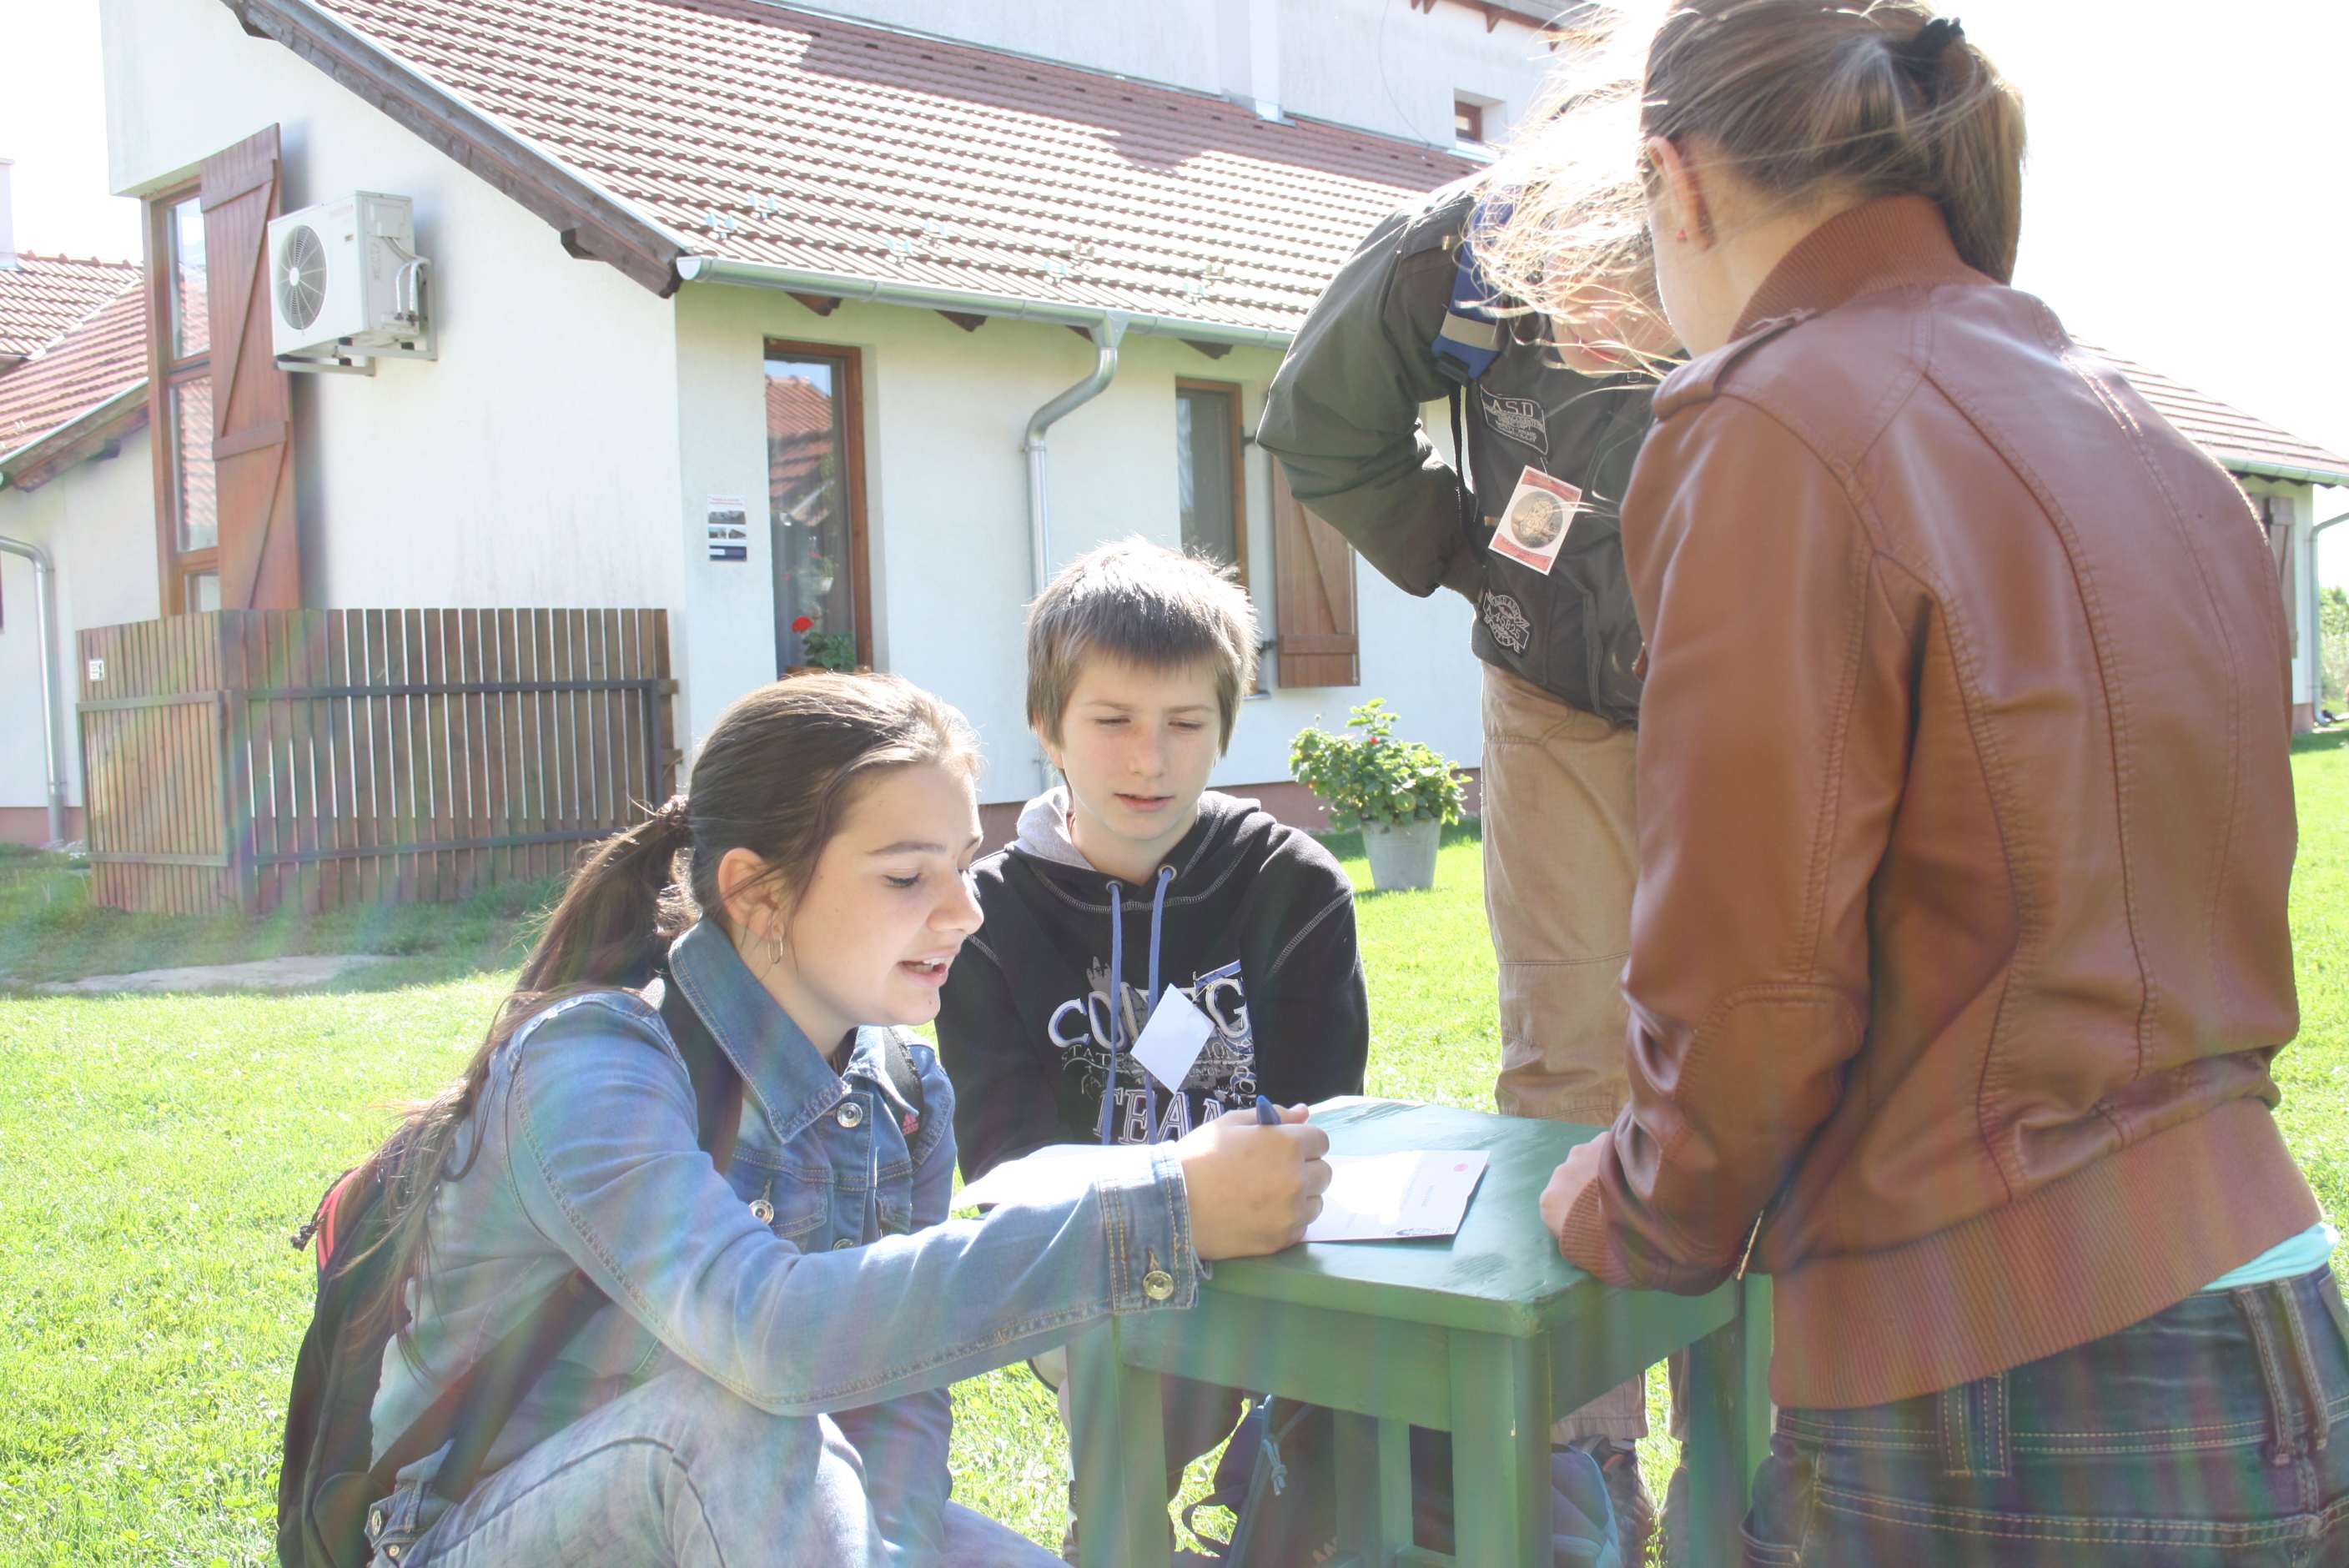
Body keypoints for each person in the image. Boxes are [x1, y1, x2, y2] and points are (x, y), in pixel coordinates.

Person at [1505, 3, 2347, 1562]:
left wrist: (1632, 1208)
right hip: (2275, 1318)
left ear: (1674, 181)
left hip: (1997, 1371)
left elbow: (1753, 986)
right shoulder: (2154, 441)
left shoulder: (1771, 416)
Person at [351, 672, 1331, 1567]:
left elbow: (896, 1406)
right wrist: (1160, 1211)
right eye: (907, 876)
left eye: (964, 864)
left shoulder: (905, 1093)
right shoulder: (589, 1062)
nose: (964, 912)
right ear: (754, 892)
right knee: (733, 1412)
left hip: (765, 1512)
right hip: (477, 1534)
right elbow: (769, 1334)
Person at [1255, 127, 1672, 1540]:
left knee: (1766, 1042)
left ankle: (1768, 1451)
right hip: (1554, 689)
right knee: (1569, 1051)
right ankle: (1584, 1454)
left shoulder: (1795, 208)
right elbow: (1324, 422)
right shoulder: (1469, 242)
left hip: (1753, 685)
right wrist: (1465, 553)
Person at [934, 539, 1369, 1545]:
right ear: (1046, 723)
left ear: (1225, 724)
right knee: (1142, 1360)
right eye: (1112, 720)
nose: (1149, 758)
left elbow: (1321, 1115)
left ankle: (1284, 1505)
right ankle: (1118, 1529)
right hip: (1090, 1265)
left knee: (1382, 1395)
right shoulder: (984, 919)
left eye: (1184, 722)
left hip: (1276, 1249)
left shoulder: (1295, 886)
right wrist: (1171, 1212)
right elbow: (1004, 1168)